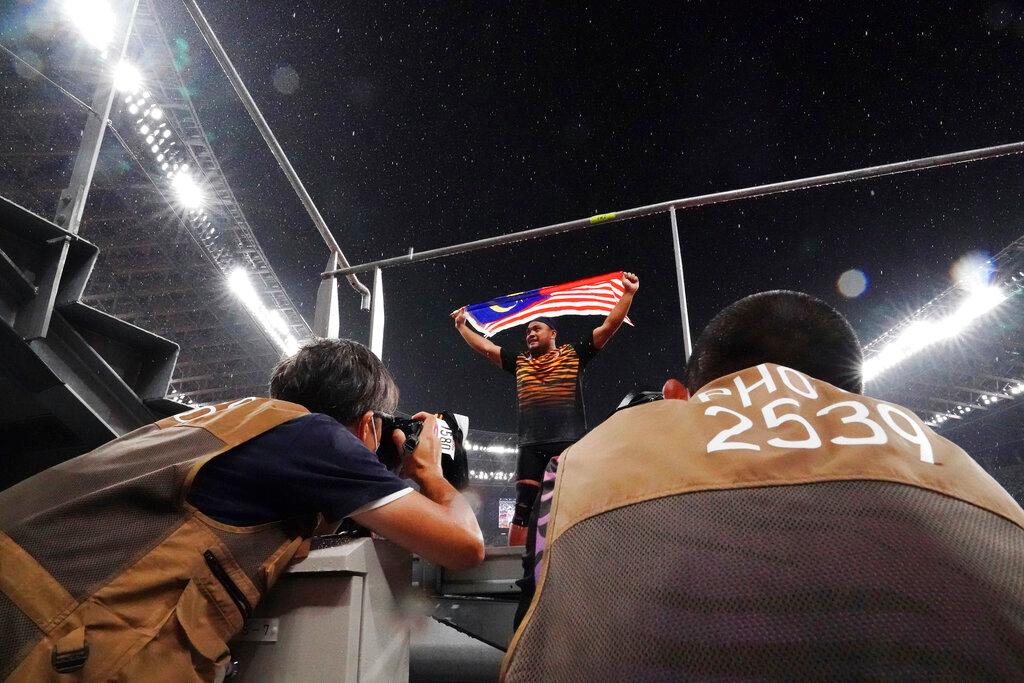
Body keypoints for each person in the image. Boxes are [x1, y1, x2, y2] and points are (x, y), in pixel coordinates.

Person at [502, 291, 1024, 681]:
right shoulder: (952, 461)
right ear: (861, 398)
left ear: (675, 395)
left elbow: (531, 640)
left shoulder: (592, 456)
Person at [0, 338, 484, 682]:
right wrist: (431, 474)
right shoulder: (318, 437)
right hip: (55, 634)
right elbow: (464, 547)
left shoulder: (236, 419)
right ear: (367, 424)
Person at [451, 272, 640, 545]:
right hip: (531, 445)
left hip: (568, 443)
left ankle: (578, 554)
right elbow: (486, 348)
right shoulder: (520, 362)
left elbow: (608, 326)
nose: (530, 333)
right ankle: (515, 565)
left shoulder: (574, 354)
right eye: (527, 331)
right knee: (522, 510)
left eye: (536, 329)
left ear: (553, 333)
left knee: (574, 503)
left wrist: (628, 294)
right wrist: (462, 327)